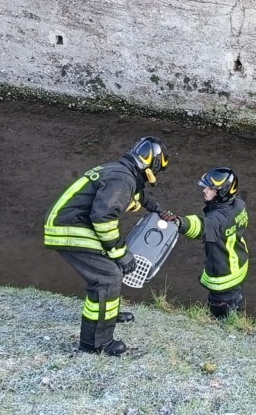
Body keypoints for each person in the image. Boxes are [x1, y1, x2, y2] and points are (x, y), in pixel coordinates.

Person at [44, 136, 168, 355]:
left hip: (72, 223)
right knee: (107, 278)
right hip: (72, 229)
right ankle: (96, 343)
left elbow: (135, 194)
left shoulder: (120, 171)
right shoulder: (123, 178)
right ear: (152, 166)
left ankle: (108, 313)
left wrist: (155, 207)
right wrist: (121, 253)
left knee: (109, 273)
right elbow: (103, 218)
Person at [162, 167, 249, 318]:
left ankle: (225, 323)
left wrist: (178, 221)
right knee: (234, 297)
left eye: (210, 188)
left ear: (223, 191)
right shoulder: (239, 205)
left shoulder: (219, 219)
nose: (204, 190)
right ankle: (236, 310)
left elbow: (201, 226)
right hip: (238, 262)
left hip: (224, 275)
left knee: (221, 312)